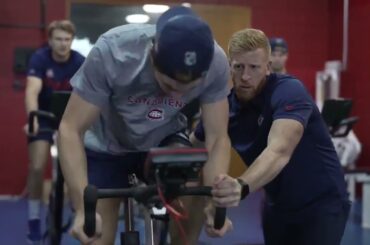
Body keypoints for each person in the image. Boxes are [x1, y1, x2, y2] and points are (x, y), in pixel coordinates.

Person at [57, 6, 232, 245]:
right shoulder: (112, 52)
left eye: (188, 90)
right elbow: (70, 129)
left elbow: (217, 137)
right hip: (107, 146)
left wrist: (214, 201)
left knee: (192, 213)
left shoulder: (216, 62)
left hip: (164, 142)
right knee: (94, 235)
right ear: (152, 57)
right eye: (169, 87)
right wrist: (81, 209)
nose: (177, 94)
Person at [192, 28, 350, 245]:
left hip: (321, 203)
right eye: (239, 67)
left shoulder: (288, 91)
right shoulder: (225, 106)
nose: (245, 76)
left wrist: (240, 185)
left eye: (254, 67)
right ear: (229, 66)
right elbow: (196, 147)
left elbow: (279, 151)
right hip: (277, 205)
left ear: (267, 68)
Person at [24, 20, 85, 243]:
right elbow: (32, 91)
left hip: (69, 121)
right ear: (50, 41)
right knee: (38, 166)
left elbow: (87, 94)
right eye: (58, 39)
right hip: (44, 119)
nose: (62, 44)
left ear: (71, 40)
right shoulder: (40, 58)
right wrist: (33, 119)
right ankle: (33, 219)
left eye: (67, 39)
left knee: (71, 172)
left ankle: (65, 209)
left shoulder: (80, 61)